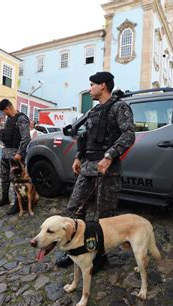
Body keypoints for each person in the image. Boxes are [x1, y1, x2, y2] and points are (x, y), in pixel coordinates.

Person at [55, 71, 135, 269]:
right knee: (75, 208)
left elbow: (129, 134)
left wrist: (109, 156)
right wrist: (78, 157)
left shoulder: (119, 107)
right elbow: (84, 137)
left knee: (104, 216)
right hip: (88, 167)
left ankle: (100, 256)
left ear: (103, 85)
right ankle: (74, 249)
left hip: (108, 169)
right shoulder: (93, 111)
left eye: (92, 85)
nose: (89, 88)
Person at [0, 99, 30, 215]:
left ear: (7, 108)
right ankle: (5, 198)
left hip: (15, 155)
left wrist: (19, 153)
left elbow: (26, 138)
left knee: (16, 180)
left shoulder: (21, 119)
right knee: (4, 178)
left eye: (4, 111)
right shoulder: (9, 119)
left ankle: (18, 204)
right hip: (6, 153)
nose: (4, 114)